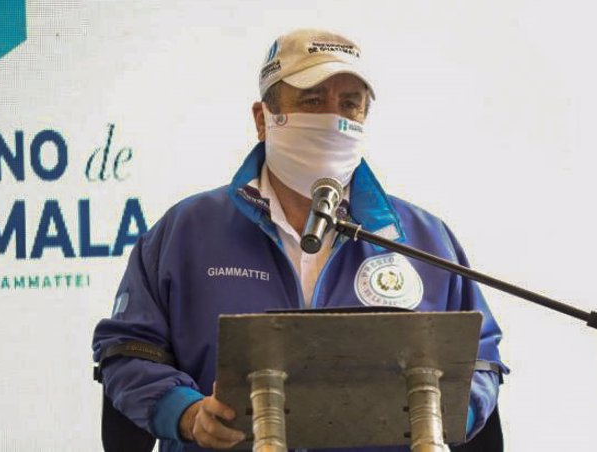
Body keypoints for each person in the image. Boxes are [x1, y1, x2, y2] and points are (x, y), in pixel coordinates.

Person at [92, 28, 508, 452]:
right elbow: (129, 351)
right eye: (311, 101)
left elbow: (481, 360)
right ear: (263, 117)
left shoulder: (424, 239)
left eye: (349, 104)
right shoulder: (184, 232)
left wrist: (452, 415)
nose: (332, 119)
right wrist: (185, 412)